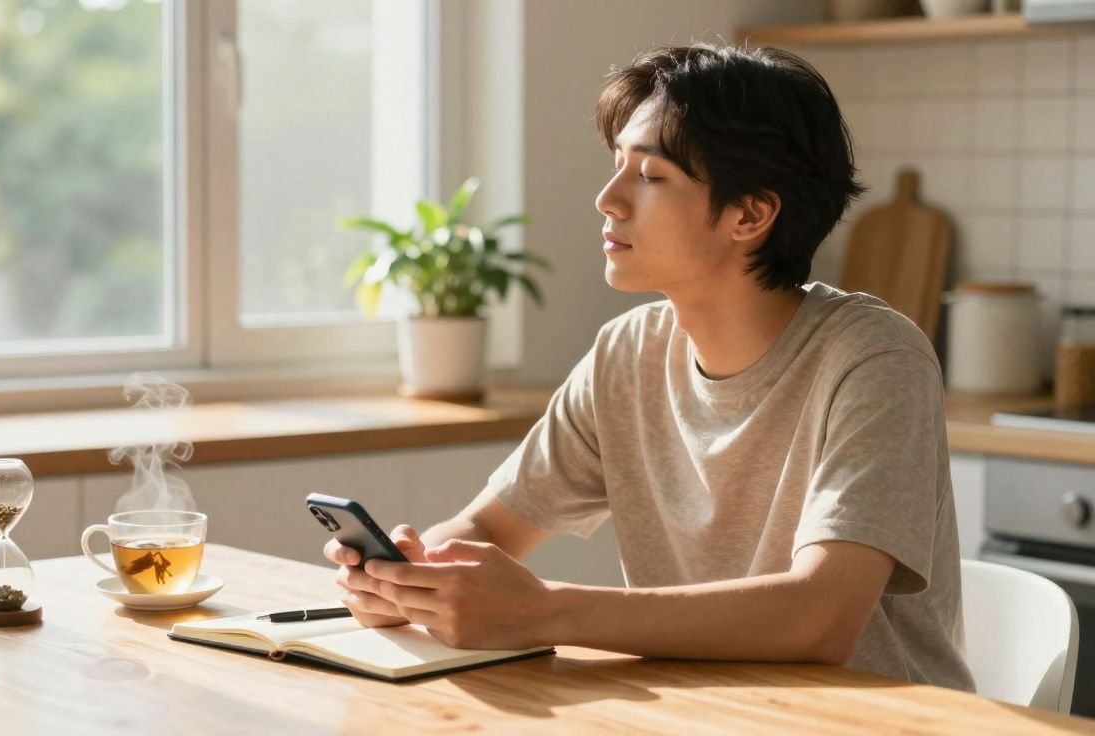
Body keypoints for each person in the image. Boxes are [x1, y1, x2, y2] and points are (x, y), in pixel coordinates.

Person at [324, 42, 974, 691]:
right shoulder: (626, 353)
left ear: (750, 213)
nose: (609, 199)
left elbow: (820, 616)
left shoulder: (875, 358)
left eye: (650, 176)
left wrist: (545, 612)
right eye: (616, 167)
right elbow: (488, 527)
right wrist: (410, 578)